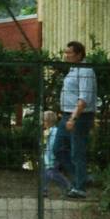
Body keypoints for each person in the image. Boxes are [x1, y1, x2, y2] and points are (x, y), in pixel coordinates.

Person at [57, 40, 96, 199]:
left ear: (79, 54)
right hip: (67, 114)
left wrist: (73, 117)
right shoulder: (73, 69)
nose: (66, 56)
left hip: (80, 116)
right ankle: (82, 177)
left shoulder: (85, 71)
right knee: (58, 149)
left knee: (77, 152)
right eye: (65, 53)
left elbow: (84, 98)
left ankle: (80, 188)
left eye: (69, 53)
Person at [40, 110, 73, 198]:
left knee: (52, 173)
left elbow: (53, 145)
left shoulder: (55, 131)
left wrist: (52, 155)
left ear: (48, 121)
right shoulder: (46, 131)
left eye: (43, 121)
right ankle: (44, 190)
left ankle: (68, 186)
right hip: (46, 157)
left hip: (53, 157)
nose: (42, 123)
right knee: (44, 173)